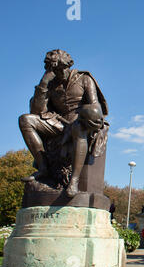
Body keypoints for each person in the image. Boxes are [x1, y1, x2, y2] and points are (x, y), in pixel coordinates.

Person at [19, 49, 108, 197]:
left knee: (78, 128)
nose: (59, 74)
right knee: (25, 119)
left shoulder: (84, 79)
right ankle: (43, 168)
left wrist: (87, 115)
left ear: (66, 66)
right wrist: (44, 83)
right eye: (54, 71)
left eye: (60, 69)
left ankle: (74, 180)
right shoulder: (50, 84)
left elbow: (95, 105)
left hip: (81, 121)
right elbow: (36, 111)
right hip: (58, 122)